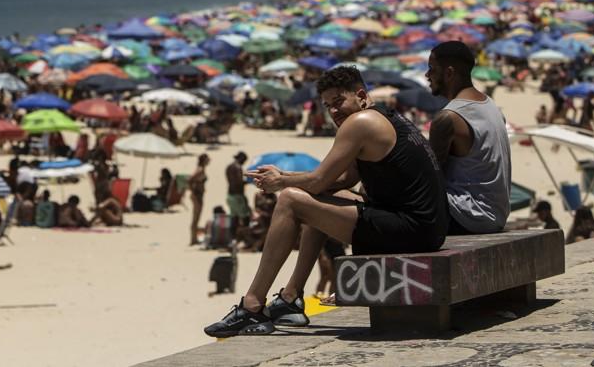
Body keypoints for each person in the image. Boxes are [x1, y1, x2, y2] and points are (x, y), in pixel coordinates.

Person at [203, 65, 447, 337]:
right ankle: (290, 298)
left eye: (339, 101)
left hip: (412, 230)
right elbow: (341, 179)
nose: (333, 111)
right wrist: (287, 175)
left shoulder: (360, 123)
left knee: (290, 200)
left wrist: (281, 182)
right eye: (327, 105)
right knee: (315, 198)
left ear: (362, 96)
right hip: (426, 228)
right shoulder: (385, 117)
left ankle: (251, 306)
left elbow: (320, 180)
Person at [426, 41, 512, 235]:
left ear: (449, 73)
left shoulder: (448, 118)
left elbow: (429, 177)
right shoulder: (491, 106)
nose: (427, 75)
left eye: (432, 68)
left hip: (468, 217)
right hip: (495, 215)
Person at [225, 152, 251, 240]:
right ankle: (245, 239)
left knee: (234, 218)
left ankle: (232, 239)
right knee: (245, 218)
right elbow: (239, 182)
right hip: (238, 195)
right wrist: (249, 181)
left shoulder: (229, 167)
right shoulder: (238, 167)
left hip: (230, 194)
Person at [188, 154, 209, 245]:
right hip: (197, 195)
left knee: (197, 217)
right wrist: (193, 191)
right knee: (195, 218)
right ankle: (193, 239)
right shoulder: (200, 170)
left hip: (198, 195)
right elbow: (190, 180)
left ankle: (194, 238)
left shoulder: (202, 169)